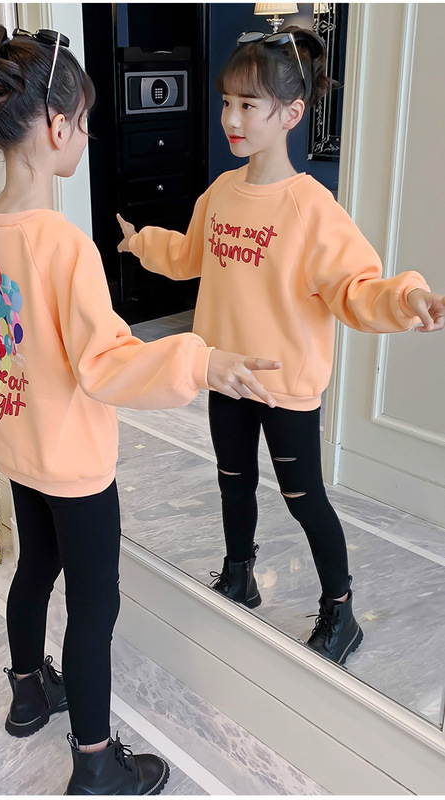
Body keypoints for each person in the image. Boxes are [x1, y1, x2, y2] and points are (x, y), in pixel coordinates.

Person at [0, 21, 282, 796]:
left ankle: (28, 692)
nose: (87, 136)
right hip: (73, 463)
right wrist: (201, 360)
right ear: (58, 127)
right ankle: (94, 762)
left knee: (35, 566)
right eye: (86, 121)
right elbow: (108, 365)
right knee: (94, 606)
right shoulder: (62, 247)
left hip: (16, 446)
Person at [117, 26, 445, 668]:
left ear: (291, 114)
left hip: (287, 385)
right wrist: (142, 243)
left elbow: (356, 288)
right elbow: (188, 255)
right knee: (232, 483)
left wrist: (407, 296)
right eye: (227, 102)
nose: (230, 119)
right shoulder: (220, 193)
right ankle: (240, 576)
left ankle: (341, 610)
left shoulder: (311, 207)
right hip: (226, 374)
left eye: (248, 105)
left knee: (304, 500)